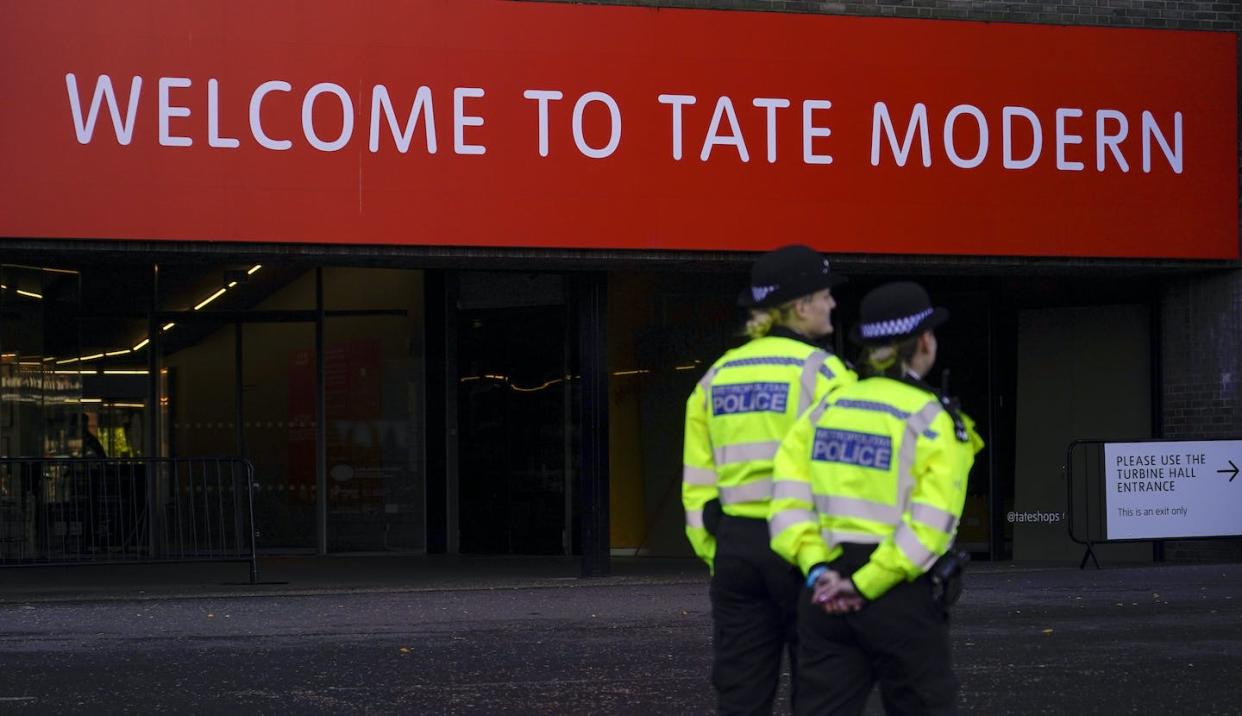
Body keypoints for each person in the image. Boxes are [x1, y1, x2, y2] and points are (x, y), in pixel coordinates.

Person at [767, 281, 984, 716]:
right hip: (899, 596)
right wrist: (863, 585)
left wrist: (819, 571)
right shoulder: (932, 418)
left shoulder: (824, 411)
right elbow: (930, 527)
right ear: (923, 341)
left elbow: (786, 505)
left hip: (824, 593)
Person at [683, 244, 858, 715]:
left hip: (736, 548)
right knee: (824, 689)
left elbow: (698, 486)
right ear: (799, 306)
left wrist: (715, 553)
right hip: (805, 549)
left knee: (740, 695)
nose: (832, 304)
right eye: (824, 295)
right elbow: (848, 480)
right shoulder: (825, 375)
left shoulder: (715, 377)